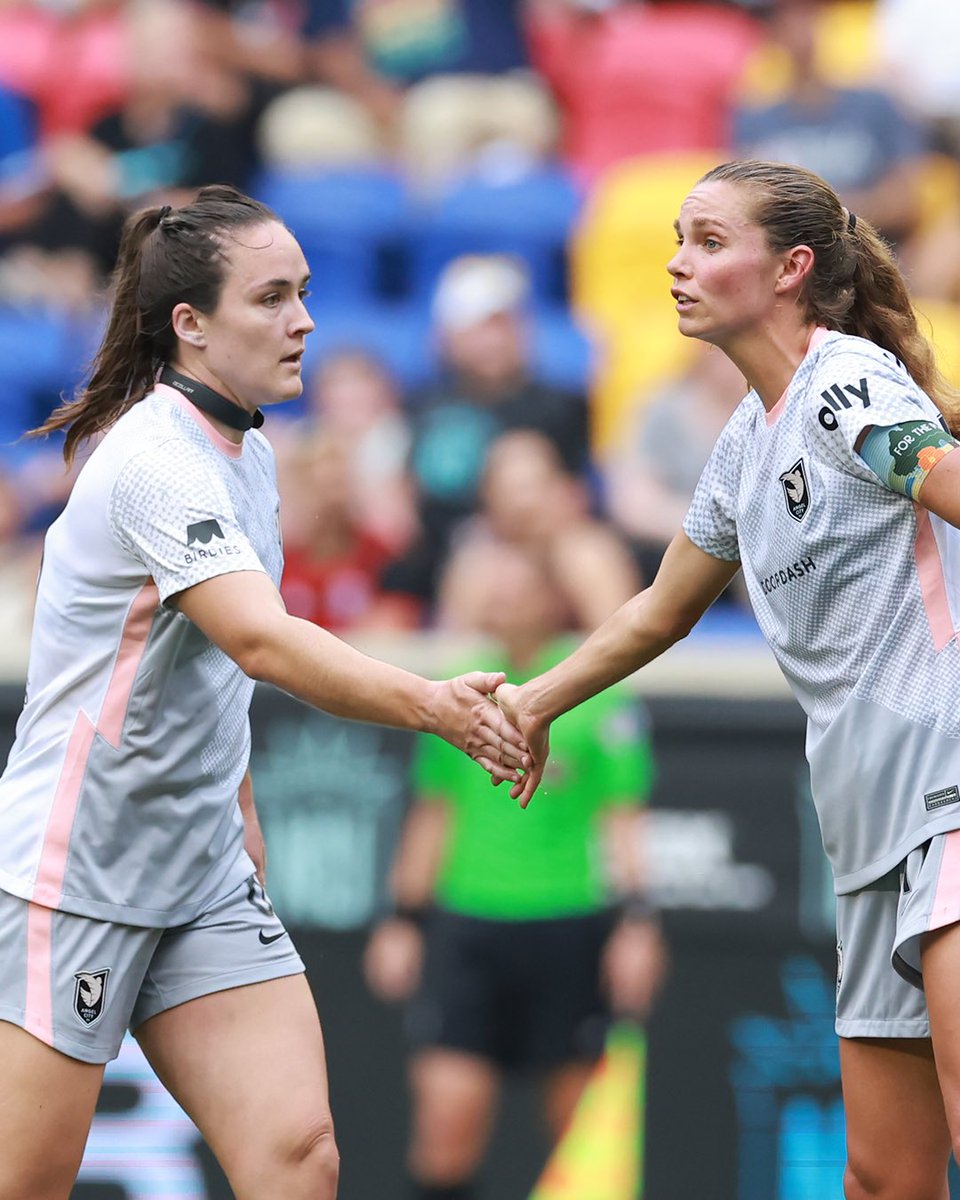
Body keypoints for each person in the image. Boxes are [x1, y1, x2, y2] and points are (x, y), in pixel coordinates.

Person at [0, 183, 529, 1200]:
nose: (306, 321)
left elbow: (202, 667)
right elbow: (258, 642)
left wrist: (235, 803)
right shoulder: (156, 461)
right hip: (74, 874)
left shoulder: (253, 452)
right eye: (274, 298)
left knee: (298, 1158)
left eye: (306, 292)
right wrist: (438, 708)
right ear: (190, 325)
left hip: (198, 872)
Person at [497, 158, 960, 1198]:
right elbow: (661, 610)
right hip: (876, 834)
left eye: (709, 241)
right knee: (886, 1180)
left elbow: (945, 480)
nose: (675, 263)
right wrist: (534, 703)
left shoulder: (844, 384)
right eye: (675, 238)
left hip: (952, 797)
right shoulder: (746, 442)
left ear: (791, 267)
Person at [364, 538, 663, 1200]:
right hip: (468, 925)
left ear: (553, 598)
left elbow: (624, 819)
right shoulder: (460, 685)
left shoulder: (595, 689)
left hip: (570, 924)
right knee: (446, 1129)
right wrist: (403, 920)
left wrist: (637, 923)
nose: (501, 597)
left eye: (517, 584)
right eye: (493, 585)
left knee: (579, 1145)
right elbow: (432, 813)